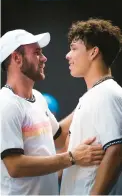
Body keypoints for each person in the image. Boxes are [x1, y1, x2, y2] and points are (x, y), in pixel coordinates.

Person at [0, 29, 104, 195]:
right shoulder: (6, 104)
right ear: (16, 58)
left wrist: (90, 97)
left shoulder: (38, 98)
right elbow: (15, 166)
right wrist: (71, 157)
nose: (44, 58)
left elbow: (59, 137)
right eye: (37, 53)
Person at [60, 18, 122, 195]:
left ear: (93, 52)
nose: (67, 55)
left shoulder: (107, 94)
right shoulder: (94, 95)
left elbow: (116, 150)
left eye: (73, 48)